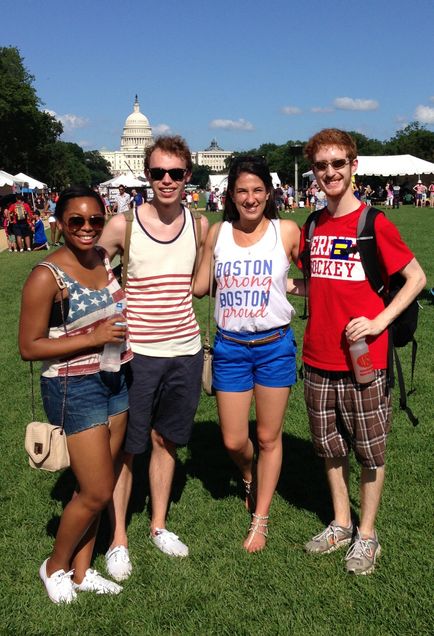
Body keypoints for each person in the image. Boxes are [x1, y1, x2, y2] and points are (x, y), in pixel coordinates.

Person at [294, 129, 425, 575]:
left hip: (363, 360)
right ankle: (341, 522)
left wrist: (379, 321)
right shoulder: (312, 225)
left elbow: (417, 278)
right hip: (316, 358)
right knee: (329, 447)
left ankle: (367, 534)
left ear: (354, 167)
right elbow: (314, 281)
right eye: (321, 165)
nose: (329, 172)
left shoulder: (374, 223)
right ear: (314, 171)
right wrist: (276, 287)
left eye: (338, 164)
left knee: (370, 450)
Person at [98, 135, 208, 576]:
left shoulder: (198, 226)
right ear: (147, 175)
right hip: (136, 352)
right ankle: (119, 537)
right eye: (158, 173)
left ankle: (158, 525)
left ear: (188, 177)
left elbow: (201, 282)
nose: (166, 181)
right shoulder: (124, 224)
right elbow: (91, 268)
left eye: (175, 173)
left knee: (167, 441)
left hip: (185, 348)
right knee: (127, 447)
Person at [19, 186, 133, 604]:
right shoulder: (46, 276)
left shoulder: (103, 259)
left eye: (95, 221)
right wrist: (94, 337)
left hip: (115, 376)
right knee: (98, 491)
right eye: (76, 221)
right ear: (59, 223)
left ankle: (82, 572)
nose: (87, 228)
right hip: (73, 386)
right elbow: (28, 347)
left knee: (93, 485)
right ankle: (54, 566)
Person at [194, 156, 300, 553]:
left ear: (268, 194)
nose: (251, 198)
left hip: (274, 347)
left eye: (257, 190)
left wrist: (298, 289)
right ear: (231, 196)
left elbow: (316, 273)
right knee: (235, 439)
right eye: (242, 191)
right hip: (230, 348)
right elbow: (201, 286)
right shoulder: (218, 233)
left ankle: (261, 519)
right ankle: (250, 476)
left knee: (269, 437)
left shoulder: (285, 231)